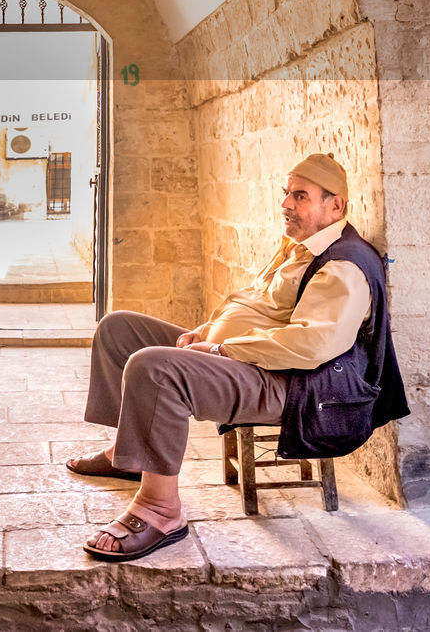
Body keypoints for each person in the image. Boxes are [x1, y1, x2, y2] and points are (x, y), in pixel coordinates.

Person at [71, 153, 408, 561]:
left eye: (300, 196)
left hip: (294, 386)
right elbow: (250, 300)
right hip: (243, 359)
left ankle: (159, 511)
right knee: (118, 329)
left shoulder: (345, 265)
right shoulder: (299, 244)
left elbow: (311, 345)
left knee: (153, 368)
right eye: (287, 193)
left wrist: (220, 348)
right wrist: (207, 329)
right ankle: (129, 456)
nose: (286, 204)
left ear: (334, 206)